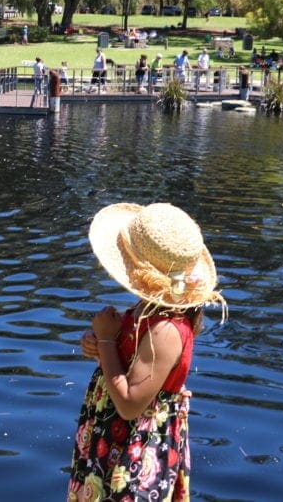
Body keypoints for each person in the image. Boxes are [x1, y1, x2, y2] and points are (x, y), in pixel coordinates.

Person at [68, 202, 226, 501]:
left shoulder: (166, 330)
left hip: (135, 449)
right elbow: (126, 361)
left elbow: (129, 405)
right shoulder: (145, 311)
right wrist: (102, 346)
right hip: (110, 438)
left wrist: (105, 341)